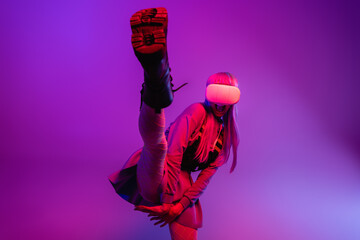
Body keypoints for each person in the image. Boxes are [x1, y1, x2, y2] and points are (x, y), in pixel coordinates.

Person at [109, 7, 240, 240]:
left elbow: (204, 179)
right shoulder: (198, 111)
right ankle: (156, 80)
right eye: (216, 96)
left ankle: (157, 80)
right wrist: (167, 200)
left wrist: (177, 208)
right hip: (159, 171)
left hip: (181, 183)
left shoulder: (225, 137)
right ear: (209, 94)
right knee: (157, 146)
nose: (220, 104)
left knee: (188, 229)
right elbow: (174, 153)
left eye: (226, 98)